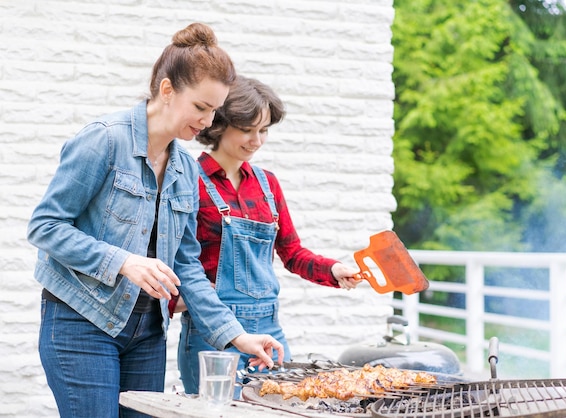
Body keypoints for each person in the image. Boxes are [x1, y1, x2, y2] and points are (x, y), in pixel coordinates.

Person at [26, 23, 283, 418]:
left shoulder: (185, 169)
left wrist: (236, 336)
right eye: (200, 107)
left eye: (215, 110)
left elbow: (186, 266)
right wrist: (123, 261)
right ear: (167, 90)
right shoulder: (105, 140)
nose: (209, 120)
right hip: (82, 325)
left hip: (147, 333)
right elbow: (45, 226)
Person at [171, 75, 361, 396]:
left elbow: (292, 252)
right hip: (214, 333)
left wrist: (333, 270)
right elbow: (176, 258)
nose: (256, 140)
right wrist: (180, 301)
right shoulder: (189, 179)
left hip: (269, 330)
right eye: (247, 129)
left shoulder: (267, 184)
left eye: (264, 130)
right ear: (218, 124)